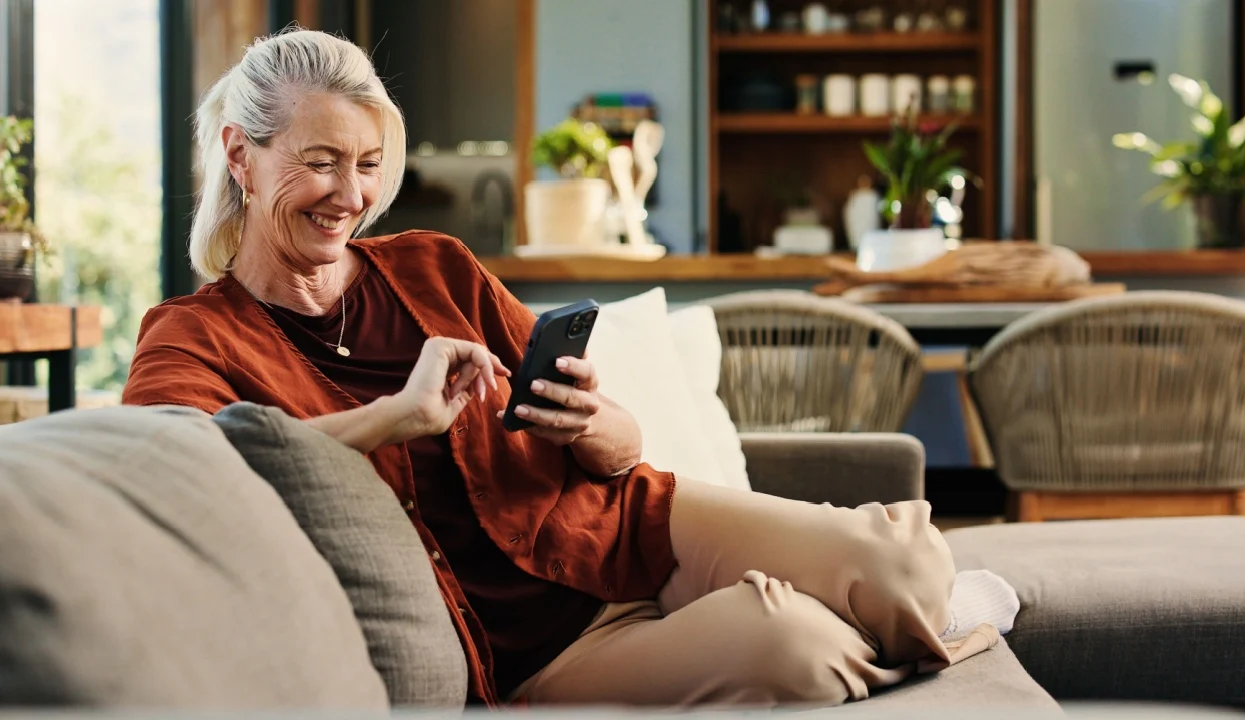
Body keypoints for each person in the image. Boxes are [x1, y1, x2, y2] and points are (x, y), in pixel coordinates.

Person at [123, 29, 979, 708]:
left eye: (369, 165)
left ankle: (886, 606)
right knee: (798, 652)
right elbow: (176, 472)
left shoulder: (434, 266)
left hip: (632, 527)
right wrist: (396, 418)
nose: (349, 194)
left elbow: (616, 440)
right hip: (540, 651)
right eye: (319, 162)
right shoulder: (192, 336)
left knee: (901, 564)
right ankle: (829, 621)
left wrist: (601, 429)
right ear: (240, 154)